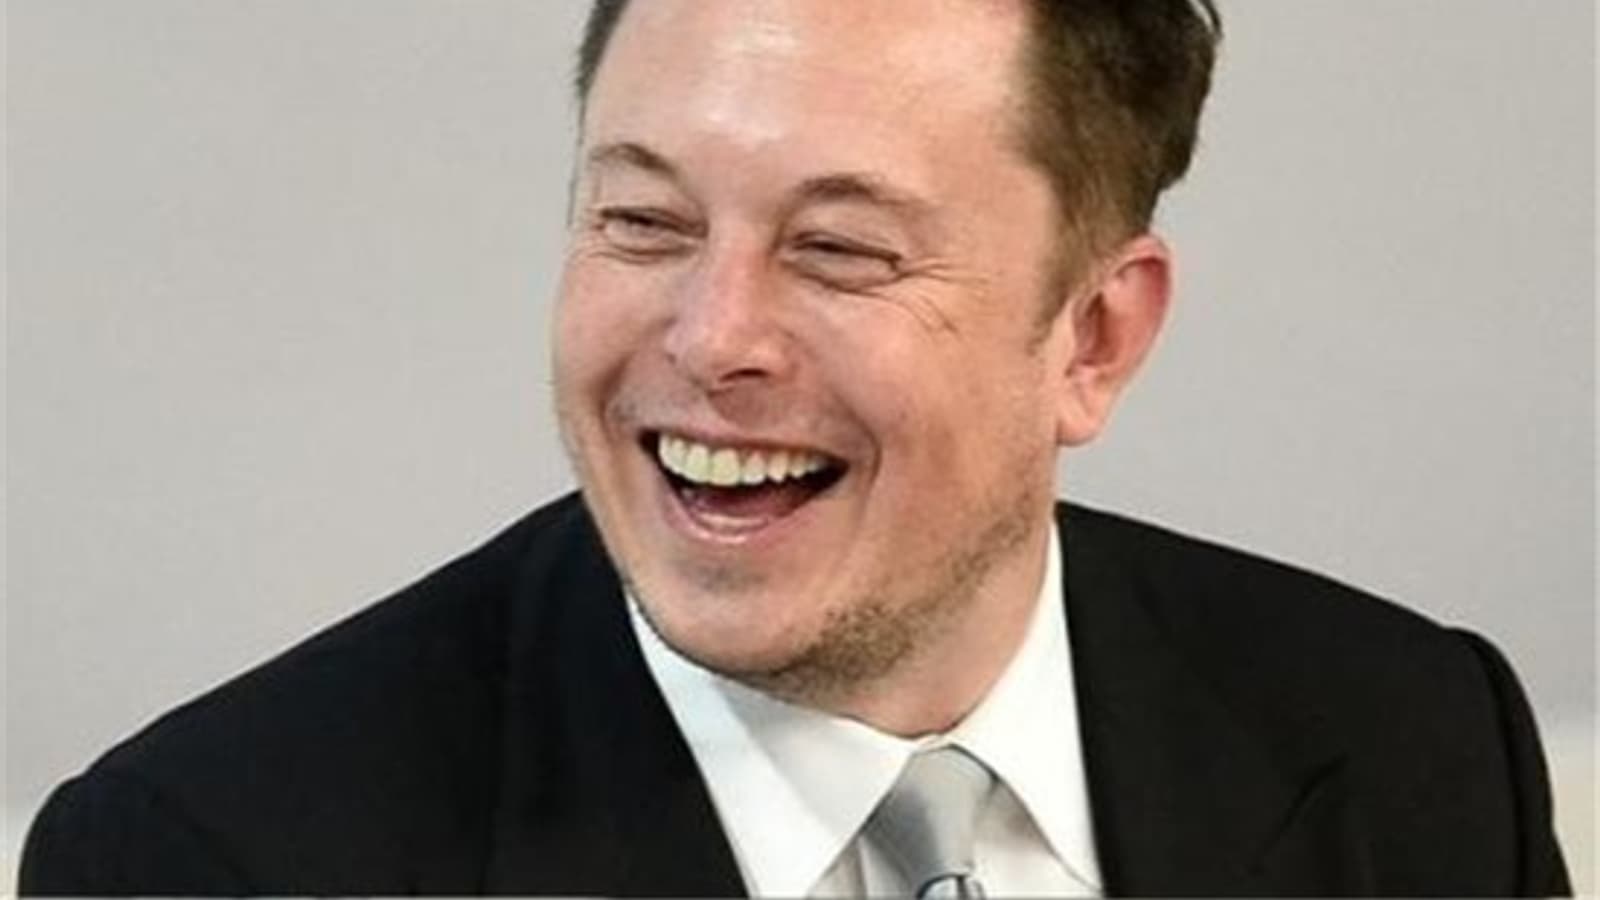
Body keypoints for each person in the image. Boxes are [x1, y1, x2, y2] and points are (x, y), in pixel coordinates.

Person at [19, 0, 1570, 895]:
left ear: (1094, 337)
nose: (712, 339)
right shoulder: (210, 859)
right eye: (645, 221)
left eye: (839, 249)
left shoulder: (1418, 745)